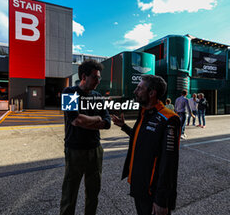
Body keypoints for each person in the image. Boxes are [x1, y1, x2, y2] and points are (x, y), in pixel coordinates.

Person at [112, 75, 181, 215]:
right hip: (139, 186)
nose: (135, 91)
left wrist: (161, 200)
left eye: (139, 88)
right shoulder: (145, 113)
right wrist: (124, 126)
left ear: (151, 93)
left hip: (153, 192)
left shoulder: (169, 118)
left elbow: (169, 163)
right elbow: (143, 139)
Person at [60, 60, 111, 215]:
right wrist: (96, 119)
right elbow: (75, 120)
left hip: (95, 150)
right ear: (84, 76)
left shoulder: (98, 97)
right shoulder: (69, 92)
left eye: (99, 77)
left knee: (93, 192)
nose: (98, 81)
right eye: (95, 77)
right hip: (74, 150)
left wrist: (91, 121)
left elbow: (107, 123)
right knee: (70, 193)